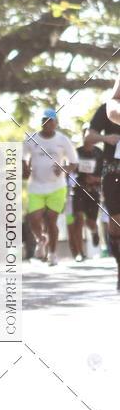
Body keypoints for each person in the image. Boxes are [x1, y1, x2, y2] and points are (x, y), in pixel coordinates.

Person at [23, 108, 78, 266]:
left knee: (51, 220)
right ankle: (41, 239)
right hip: (36, 186)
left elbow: (73, 163)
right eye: (44, 120)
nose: (46, 123)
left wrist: (63, 169)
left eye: (50, 120)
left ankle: (53, 254)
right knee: (34, 218)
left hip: (56, 186)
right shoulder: (32, 139)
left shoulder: (63, 140)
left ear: (55, 123)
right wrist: (25, 167)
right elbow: (22, 157)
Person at [87, 71, 120, 288]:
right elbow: (88, 138)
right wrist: (105, 137)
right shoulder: (109, 106)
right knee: (116, 226)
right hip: (113, 172)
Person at [71, 125, 103, 260]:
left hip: (94, 191)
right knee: (78, 219)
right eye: (86, 134)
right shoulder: (76, 152)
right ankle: (79, 253)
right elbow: (71, 168)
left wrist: (95, 179)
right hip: (79, 190)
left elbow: (106, 173)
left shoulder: (100, 153)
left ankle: (95, 231)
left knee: (90, 222)